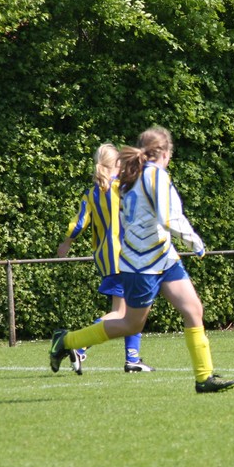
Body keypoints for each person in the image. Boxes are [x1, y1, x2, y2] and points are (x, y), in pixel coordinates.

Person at [49, 127, 234, 393]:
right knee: (131, 323)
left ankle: (204, 378)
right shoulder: (154, 175)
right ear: (165, 153)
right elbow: (169, 218)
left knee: (194, 309)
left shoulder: (131, 176)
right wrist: (194, 242)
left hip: (163, 257)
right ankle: (67, 341)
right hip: (142, 265)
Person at [56, 143, 152, 374]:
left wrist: (66, 243)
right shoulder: (124, 188)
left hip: (107, 259)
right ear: (117, 164)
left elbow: (79, 223)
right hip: (128, 258)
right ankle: (78, 344)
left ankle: (132, 359)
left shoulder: (91, 194)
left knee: (129, 311)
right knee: (124, 312)